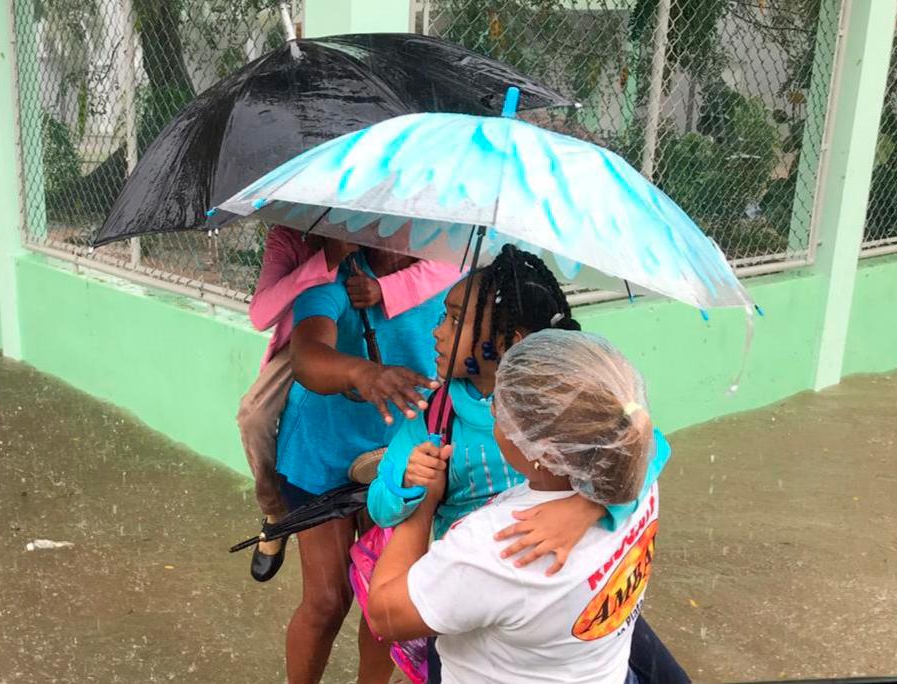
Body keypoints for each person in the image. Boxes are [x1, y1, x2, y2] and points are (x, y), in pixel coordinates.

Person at [361, 246, 678, 683]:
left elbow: (645, 443)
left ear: (511, 339)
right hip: (470, 588)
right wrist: (408, 485)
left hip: (524, 579)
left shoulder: (554, 409)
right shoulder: (437, 419)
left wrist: (586, 508)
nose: (436, 332)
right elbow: (379, 503)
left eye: (454, 320)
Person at [236, 226, 459, 582]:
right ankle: (276, 512)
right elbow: (261, 314)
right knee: (253, 415)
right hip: (304, 340)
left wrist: (383, 289)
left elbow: (451, 267)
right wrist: (326, 260)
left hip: (370, 341)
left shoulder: (387, 231)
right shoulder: (286, 236)